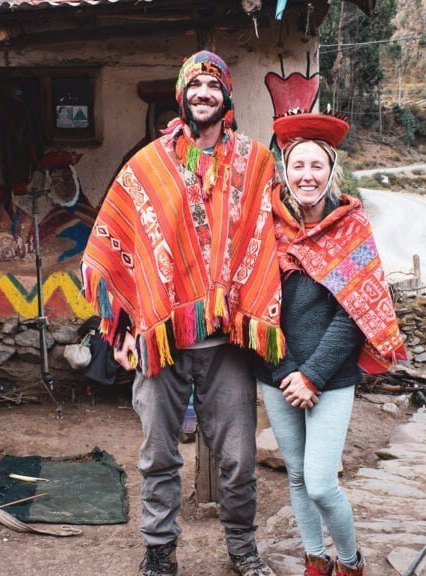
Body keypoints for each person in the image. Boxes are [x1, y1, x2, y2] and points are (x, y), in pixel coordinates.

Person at [81, 51, 283, 576]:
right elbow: (115, 240)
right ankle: (159, 552)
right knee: (157, 456)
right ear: (182, 97)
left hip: (226, 343)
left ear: (227, 98)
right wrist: (122, 327)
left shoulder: (256, 162)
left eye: (213, 87)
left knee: (238, 461)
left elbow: (273, 236)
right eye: (195, 87)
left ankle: (243, 551)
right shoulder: (149, 165)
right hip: (161, 339)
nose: (204, 94)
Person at [263, 111, 408, 576]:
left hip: (330, 376)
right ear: (285, 171)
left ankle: (350, 562)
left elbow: (356, 312)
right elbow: (254, 301)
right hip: (276, 371)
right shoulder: (266, 226)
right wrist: (286, 369)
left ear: (331, 172)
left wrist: (312, 375)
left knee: (323, 482)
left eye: (316, 166)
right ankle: (314, 559)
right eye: (297, 166)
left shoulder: (352, 228)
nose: (307, 175)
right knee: (299, 477)